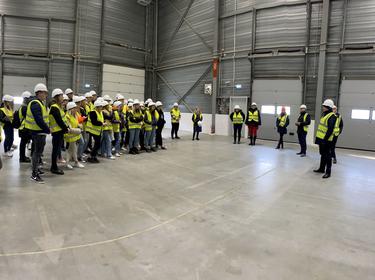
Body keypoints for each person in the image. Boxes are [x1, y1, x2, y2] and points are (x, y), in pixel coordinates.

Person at [25, 83, 50, 183]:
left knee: (38, 153)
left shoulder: (40, 103)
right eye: (44, 93)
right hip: (38, 132)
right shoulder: (35, 104)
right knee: (37, 153)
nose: (45, 95)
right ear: (39, 93)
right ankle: (34, 174)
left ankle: (36, 170)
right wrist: (47, 130)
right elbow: (39, 119)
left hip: (39, 132)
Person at [314, 99, 337, 179]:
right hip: (321, 139)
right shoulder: (325, 115)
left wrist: (325, 139)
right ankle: (321, 169)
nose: (323, 108)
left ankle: (328, 172)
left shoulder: (332, 116)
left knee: (328, 156)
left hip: (326, 140)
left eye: (324, 106)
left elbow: (330, 129)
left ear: (328, 107)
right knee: (323, 154)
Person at [49, 89, 69, 175]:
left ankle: (54, 166)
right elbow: (59, 121)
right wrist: (66, 129)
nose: (62, 97)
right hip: (57, 132)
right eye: (61, 96)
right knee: (55, 150)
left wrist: (65, 127)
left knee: (57, 150)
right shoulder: (54, 107)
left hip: (59, 132)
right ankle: (54, 167)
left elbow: (63, 120)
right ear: (57, 97)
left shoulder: (59, 107)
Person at [64, 102, 84, 169]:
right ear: (70, 109)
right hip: (69, 136)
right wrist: (78, 130)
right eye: (74, 108)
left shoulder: (75, 115)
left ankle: (72, 162)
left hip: (74, 135)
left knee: (71, 150)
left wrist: (79, 125)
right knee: (72, 150)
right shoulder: (67, 116)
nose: (76, 109)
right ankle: (75, 162)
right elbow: (69, 128)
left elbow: (77, 123)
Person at [14, 91, 32, 162]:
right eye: (28, 99)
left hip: (23, 128)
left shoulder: (23, 107)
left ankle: (22, 157)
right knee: (23, 144)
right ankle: (22, 158)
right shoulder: (24, 108)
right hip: (24, 128)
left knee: (23, 144)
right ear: (25, 99)